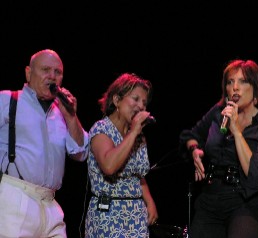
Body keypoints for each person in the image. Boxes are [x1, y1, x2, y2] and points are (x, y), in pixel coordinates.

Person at [179, 59, 258, 238]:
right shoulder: (218, 112)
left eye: (242, 81)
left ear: (255, 87)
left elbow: (255, 176)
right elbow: (189, 135)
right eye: (230, 82)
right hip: (211, 197)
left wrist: (236, 131)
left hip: (245, 201)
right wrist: (195, 150)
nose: (235, 87)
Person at [0, 49, 89, 237]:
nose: (52, 76)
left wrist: (71, 117)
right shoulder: (7, 99)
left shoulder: (62, 112)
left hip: (50, 204)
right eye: (46, 70)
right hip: (16, 196)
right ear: (28, 73)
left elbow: (80, 153)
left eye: (58, 72)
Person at [85, 72, 158, 238]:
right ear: (117, 100)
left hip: (136, 216)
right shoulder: (101, 129)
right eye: (135, 99)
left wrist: (149, 201)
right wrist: (133, 132)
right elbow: (109, 166)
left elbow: (137, 174)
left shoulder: (138, 135)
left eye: (144, 103)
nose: (140, 106)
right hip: (109, 214)